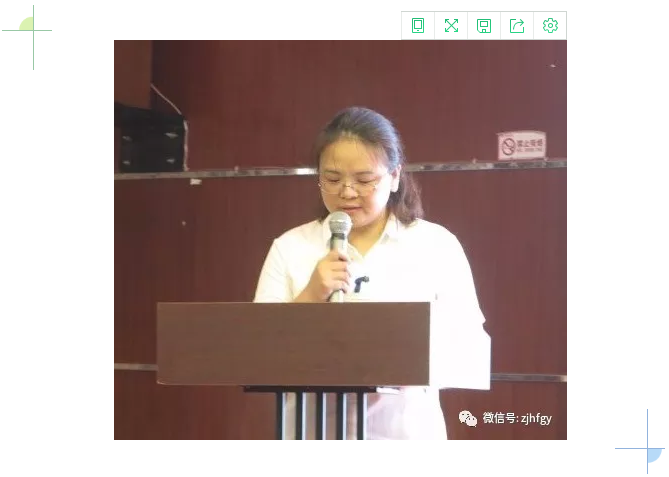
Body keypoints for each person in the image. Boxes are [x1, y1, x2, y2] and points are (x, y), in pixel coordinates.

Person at [253, 106, 491, 440]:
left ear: (394, 177)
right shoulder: (291, 247)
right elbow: (256, 351)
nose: (347, 192)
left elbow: (470, 348)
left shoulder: (436, 245)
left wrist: (407, 358)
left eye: (364, 180)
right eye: (332, 179)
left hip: (404, 437)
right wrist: (311, 295)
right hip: (313, 435)